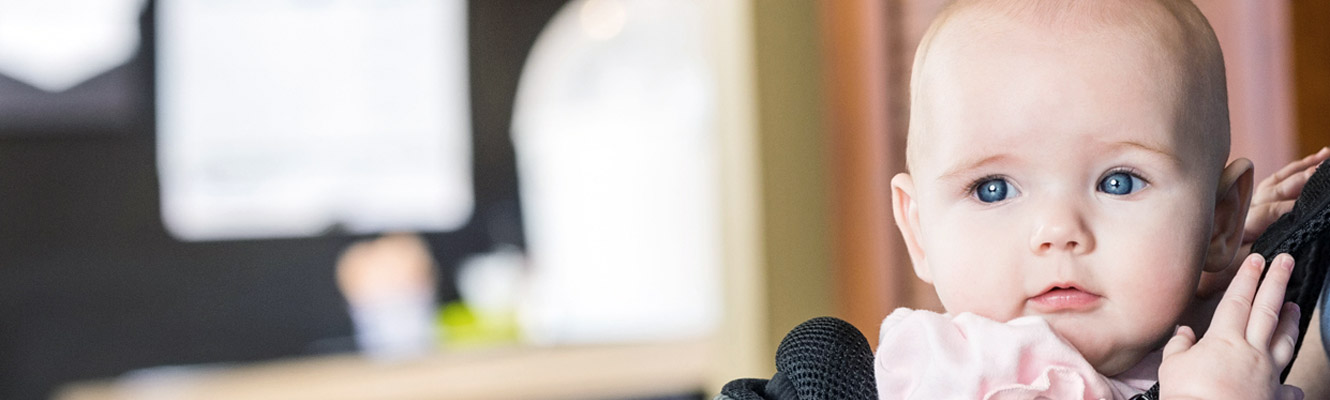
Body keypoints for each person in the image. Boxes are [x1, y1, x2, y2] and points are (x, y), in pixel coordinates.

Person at [879, 0, 1326, 398]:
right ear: (919, 232)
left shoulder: (1215, 357)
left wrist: (1214, 292)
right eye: (991, 189)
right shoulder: (939, 369)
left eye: (1119, 183)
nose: (1058, 231)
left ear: (1222, 218)